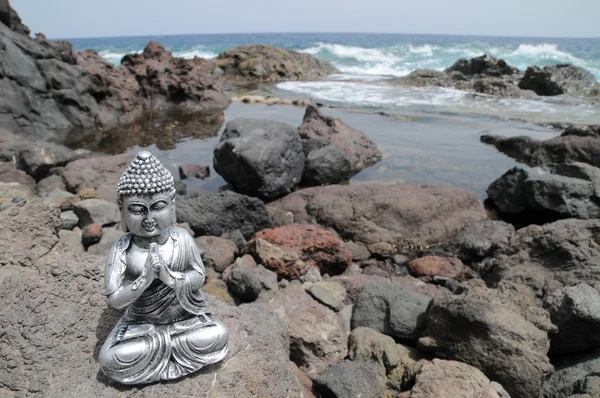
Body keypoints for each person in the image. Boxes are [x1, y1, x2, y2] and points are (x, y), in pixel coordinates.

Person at [99, 151, 229, 385]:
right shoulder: (122, 248)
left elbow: (199, 277)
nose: (149, 218)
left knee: (218, 333)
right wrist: (144, 280)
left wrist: (170, 278)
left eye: (157, 207)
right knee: (109, 359)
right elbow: (115, 300)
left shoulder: (182, 238)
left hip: (183, 319)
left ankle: (159, 358)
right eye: (138, 210)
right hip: (141, 325)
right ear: (123, 211)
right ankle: (169, 355)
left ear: (172, 204)